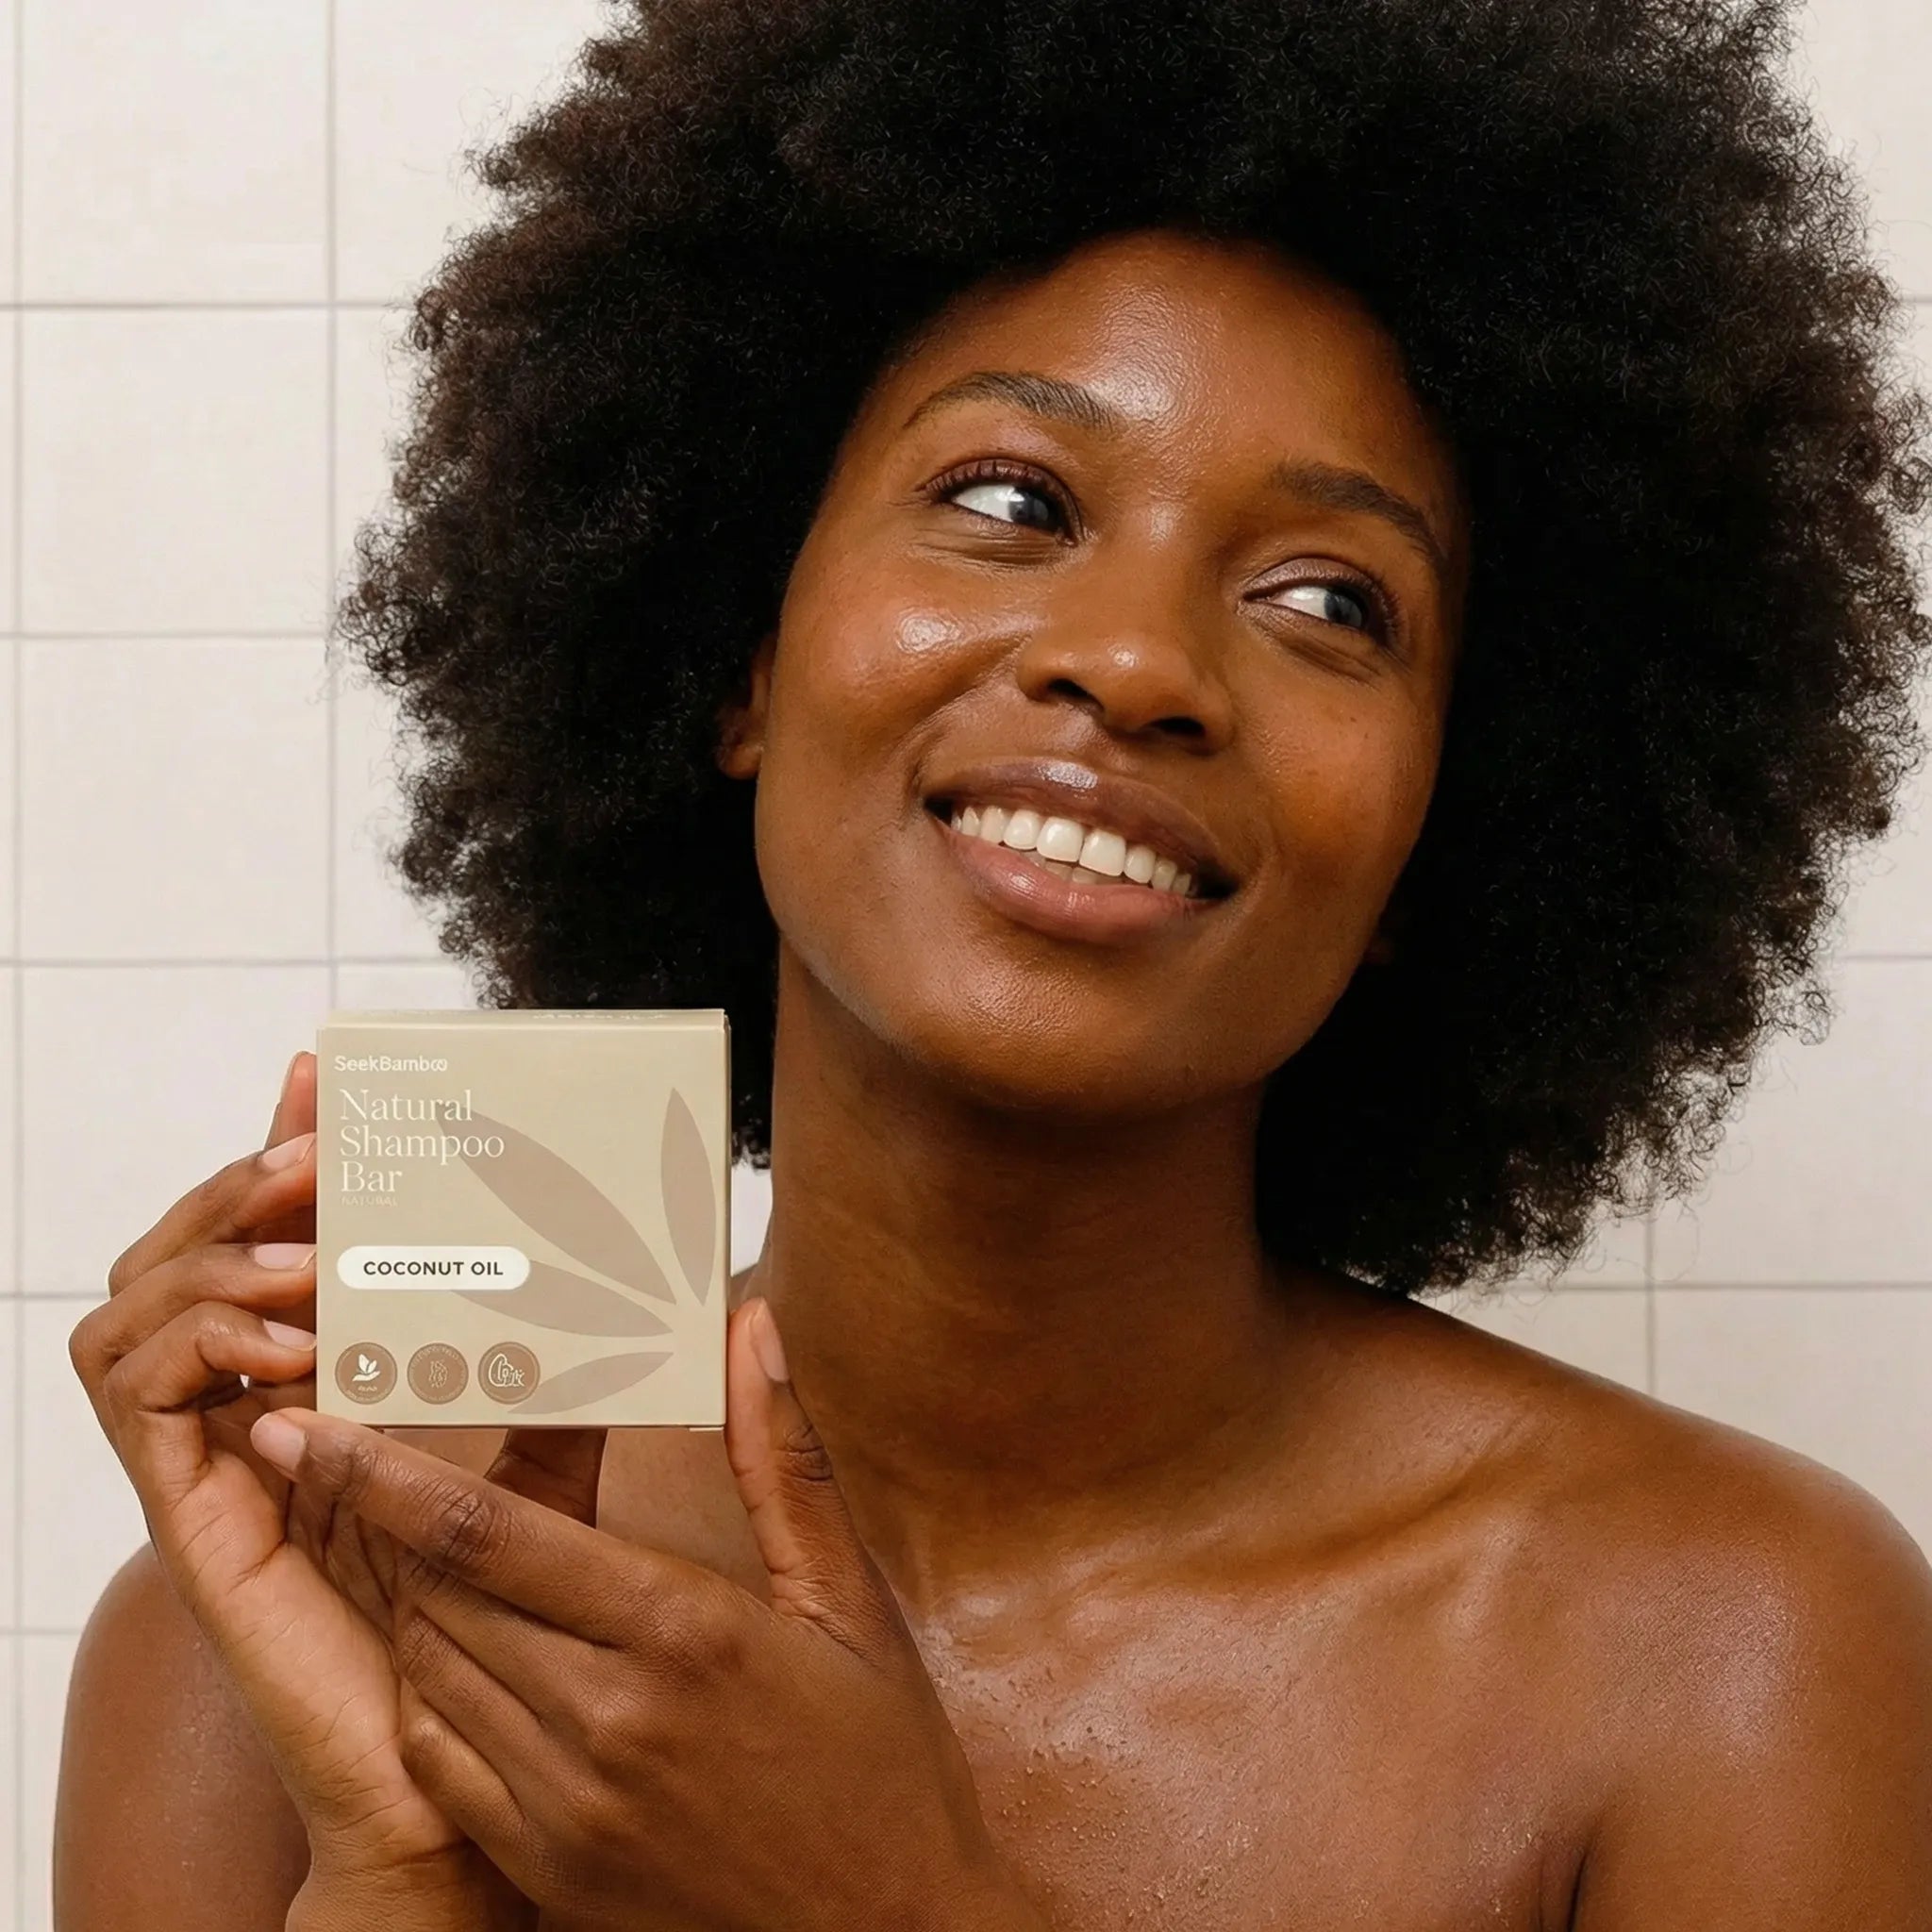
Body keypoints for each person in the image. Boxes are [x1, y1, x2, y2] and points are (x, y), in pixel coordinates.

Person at [56, 0, 1932, 1925]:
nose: (1131, 661)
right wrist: (400, 1861)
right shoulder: (282, 1613)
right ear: (738, 660)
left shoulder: (1725, 1643)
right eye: (1011, 500)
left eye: (1327, 602)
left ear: (1443, 836)